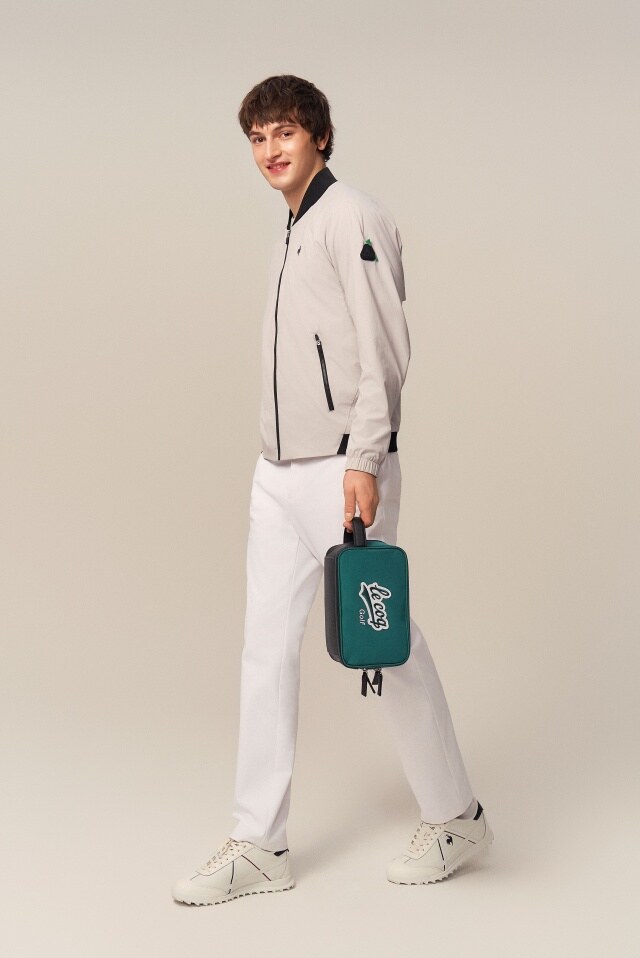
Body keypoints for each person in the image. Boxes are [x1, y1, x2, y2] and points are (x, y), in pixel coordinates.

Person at [172, 75, 492, 906]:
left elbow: (384, 347)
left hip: (342, 467)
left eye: (284, 132)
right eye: (257, 138)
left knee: (384, 641)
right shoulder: (291, 227)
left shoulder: (352, 215)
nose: (269, 150)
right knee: (264, 650)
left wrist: (366, 458)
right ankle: (259, 842)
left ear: (319, 135)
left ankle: (455, 816)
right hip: (277, 473)